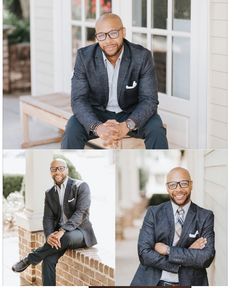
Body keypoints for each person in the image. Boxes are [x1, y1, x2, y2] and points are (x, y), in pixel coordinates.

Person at [61, 13, 168, 149]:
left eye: (113, 33)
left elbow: (149, 100)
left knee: (156, 129)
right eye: (102, 35)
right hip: (97, 112)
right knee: (72, 128)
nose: (108, 41)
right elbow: (78, 100)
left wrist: (127, 125)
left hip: (131, 112)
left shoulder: (142, 57)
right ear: (96, 37)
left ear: (123, 32)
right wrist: (97, 127)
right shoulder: (84, 57)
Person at [12, 158, 97, 286]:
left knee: (67, 236)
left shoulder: (80, 186)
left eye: (60, 168)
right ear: (50, 172)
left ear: (66, 170)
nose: (57, 172)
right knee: (48, 260)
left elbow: (81, 213)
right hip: (59, 237)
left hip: (80, 232)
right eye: (53, 169)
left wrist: (62, 231)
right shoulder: (50, 193)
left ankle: (29, 259)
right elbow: (48, 218)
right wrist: (49, 236)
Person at [131, 167, 215, 286]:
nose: (179, 189)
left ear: (191, 185)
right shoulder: (154, 213)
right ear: (167, 188)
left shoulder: (205, 216)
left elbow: (206, 257)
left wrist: (168, 250)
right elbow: (144, 253)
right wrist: (188, 254)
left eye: (184, 184)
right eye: (173, 185)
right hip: (153, 282)